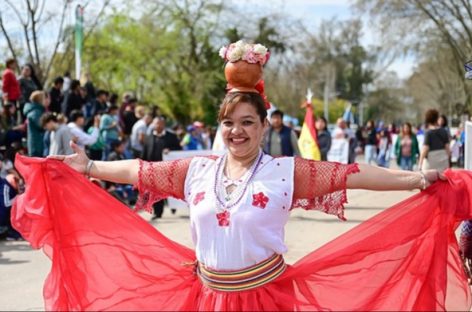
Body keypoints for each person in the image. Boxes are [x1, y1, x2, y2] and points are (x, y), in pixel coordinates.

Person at [11, 41, 471, 311]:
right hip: (207, 298)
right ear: (220, 126)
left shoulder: (285, 173)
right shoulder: (196, 172)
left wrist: (415, 180)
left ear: (264, 125)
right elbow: (139, 170)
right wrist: (90, 168)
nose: (237, 131)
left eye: (248, 122)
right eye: (229, 123)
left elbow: (352, 174)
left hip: (267, 298)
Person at [142, 116, 181, 220]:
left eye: (160, 123)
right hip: (153, 169)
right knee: (155, 191)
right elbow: (144, 153)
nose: (158, 125)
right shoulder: (149, 137)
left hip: (168, 169)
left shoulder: (171, 137)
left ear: (164, 125)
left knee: (170, 189)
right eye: (156, 123)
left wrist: (170, 150)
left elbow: (179, 149)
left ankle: (173, 205)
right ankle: (157, 212)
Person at [23, 90, 48, 157]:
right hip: (37, 145)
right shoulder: (35, 112)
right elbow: (40, 125)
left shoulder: (38, 110)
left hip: (37, 144)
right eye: (44, 98)